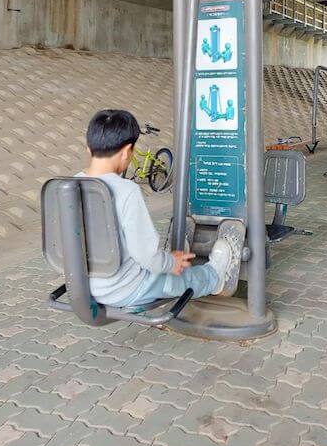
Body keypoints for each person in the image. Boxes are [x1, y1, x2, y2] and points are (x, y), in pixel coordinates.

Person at [79, 109, 241, 308]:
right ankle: (216, 277)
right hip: (127, 289)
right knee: (183, 279)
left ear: (88, 147)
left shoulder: (67, 187)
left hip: (84, 287)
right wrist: (171, 264)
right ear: (127, 152)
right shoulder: (126, 191)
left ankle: (175, 258)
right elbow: (145, 257)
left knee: (159, 264)